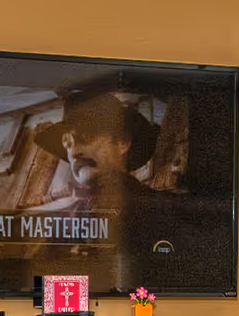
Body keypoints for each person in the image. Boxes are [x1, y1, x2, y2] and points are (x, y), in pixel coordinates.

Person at [30, 90, 177, 291]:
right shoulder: (63, 227)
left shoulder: (164, 211)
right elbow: (42, 297)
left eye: (87, 135)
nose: (74, 151)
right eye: (68, 142)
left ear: (122, 142)